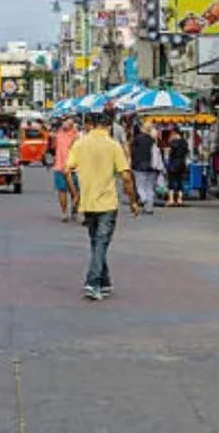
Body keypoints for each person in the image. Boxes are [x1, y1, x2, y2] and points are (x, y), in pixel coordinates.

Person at [66, 113, 140, 301]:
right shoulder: (113, 146)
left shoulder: (80, 144)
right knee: (101, 242)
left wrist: (75, 194)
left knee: (97, 242)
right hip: (107, 202)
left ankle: (105, 282)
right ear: (108, 127)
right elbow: (125, 176)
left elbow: (67, 170)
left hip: (88, 202)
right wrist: (132, 201)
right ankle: (92, 282)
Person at [130, 124, 163, 215]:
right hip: (152, 166)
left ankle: (144, 199)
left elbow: (133, 152)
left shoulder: (137, 139)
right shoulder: (153, 140)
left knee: (140, 186)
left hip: (139, 166)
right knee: (149, 187)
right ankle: (149, 208)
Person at [52, 120, 81, 222]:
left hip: (65, 167)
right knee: (71, 191)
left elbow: (53, 146)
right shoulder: (76, 136)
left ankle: (68, 212)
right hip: (70, 167)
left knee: (65, 191)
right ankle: (70, 212)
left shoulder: (58, 135)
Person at [165, 127, 190, 207]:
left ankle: (171, 200)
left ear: (175, 133)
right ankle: (180, 200)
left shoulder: (173, 142)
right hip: (182, 163)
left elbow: (170, 154)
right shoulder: (185, 142)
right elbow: (186, 152)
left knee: (171, 182)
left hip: (173, 163)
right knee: (180, 182)